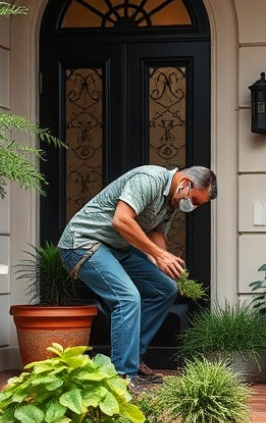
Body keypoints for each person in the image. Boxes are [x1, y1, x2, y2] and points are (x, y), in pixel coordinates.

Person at [58, 165, 217, 385]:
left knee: (165, 289)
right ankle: (123, 376)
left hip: (116, 247)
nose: (193, 206)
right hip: (84, 243)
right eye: (195, 200)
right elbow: (121, 220)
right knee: (127, 298)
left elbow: (157, 234)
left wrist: (169, 269)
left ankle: (131, 358)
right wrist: (159, 256)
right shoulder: (149, 179)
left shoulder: (171, 202)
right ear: (185, 183)